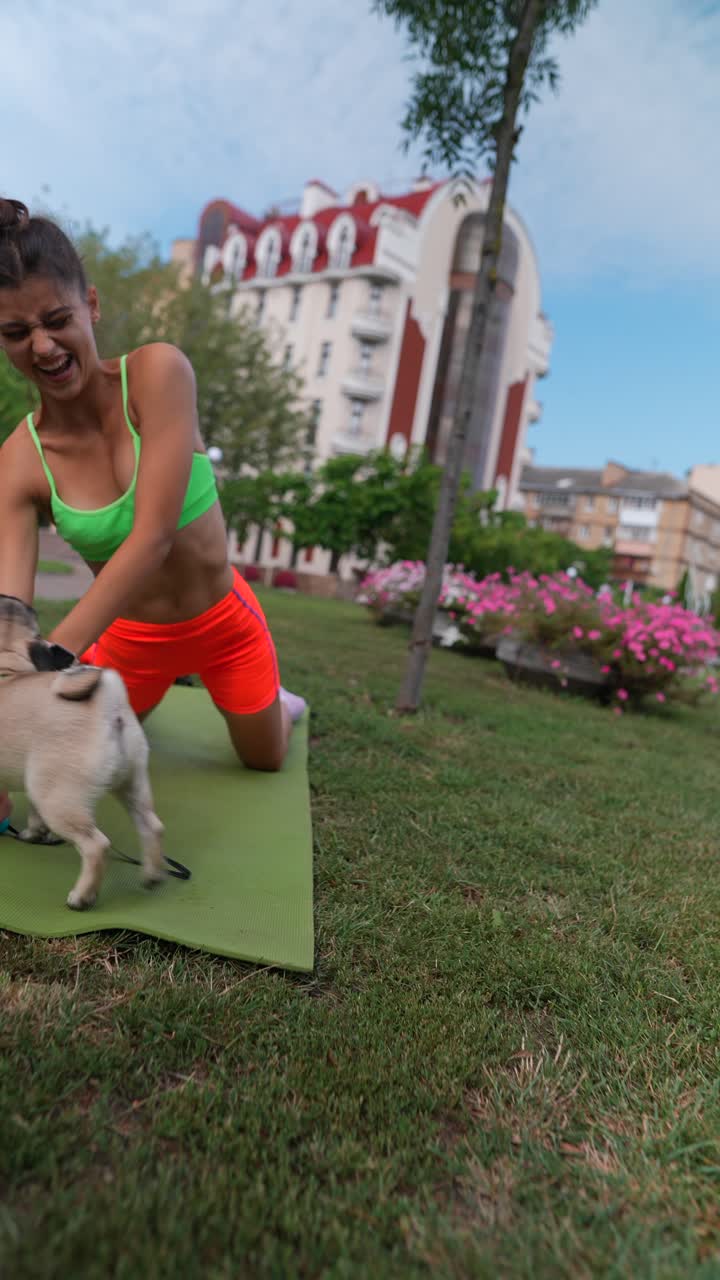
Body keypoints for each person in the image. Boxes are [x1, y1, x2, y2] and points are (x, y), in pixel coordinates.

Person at [0, 197, 306, 831]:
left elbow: (155, 535)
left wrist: (53, 655)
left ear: (92, 305)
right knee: (76, 759)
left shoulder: (160, 374)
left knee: (265, 760)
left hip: (223, 622)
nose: (43, 346)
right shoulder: (20, 459)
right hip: (130, 639)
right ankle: (145, 698)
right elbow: (10, 613)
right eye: (14, 332)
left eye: (57, 319)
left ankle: (281, 703)